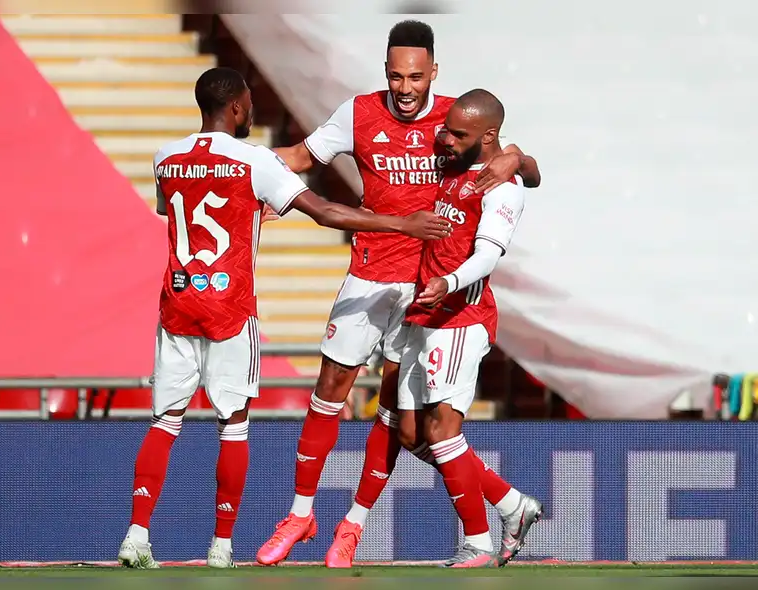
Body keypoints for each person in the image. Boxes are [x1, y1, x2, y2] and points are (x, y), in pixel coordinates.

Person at [117, 66, 453, 570]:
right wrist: (402, 224)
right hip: (230, 310)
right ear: (234, 108)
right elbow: (324, 212)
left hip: (177, 305)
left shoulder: (165, 158)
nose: (252, 111)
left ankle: (137, 535)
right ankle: (222, 547)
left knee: (164, 422)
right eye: (249, 103)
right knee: (232, 428)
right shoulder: (255, 161)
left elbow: (175, 213)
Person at [257, 19, 542, 568]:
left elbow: (520, 172)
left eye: (415, 77)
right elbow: (300, 157)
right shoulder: (359, 112)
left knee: (406, 427)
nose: (405, 88)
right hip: (368, 273)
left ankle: (352, 528)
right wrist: (241, 168)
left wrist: (517, 157)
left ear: (433, 73)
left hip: (425, 289)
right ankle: (299, 513)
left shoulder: (459, 118)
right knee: (331, 388)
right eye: (395, 77)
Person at [397, 88, 539, 568]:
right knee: (410, 433)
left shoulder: (503, 187)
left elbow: (487, 255)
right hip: (425, 314)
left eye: (459, 134)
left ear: (489, 136)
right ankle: (511, 504)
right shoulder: (455, 162)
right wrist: (520, 155)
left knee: (442, 431)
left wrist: (448, 281)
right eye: (448, 130)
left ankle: (477, 542)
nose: (447, 140)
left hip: (460, 316)